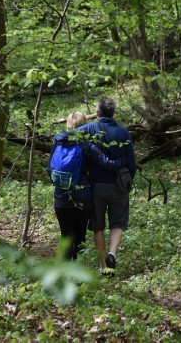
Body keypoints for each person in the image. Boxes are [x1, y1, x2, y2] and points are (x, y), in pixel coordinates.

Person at [49, 111, 124, 261]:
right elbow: (107, 164)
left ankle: (65, 273)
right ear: (85, 125)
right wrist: (123, 160)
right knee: (80, 237)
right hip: (83, 197)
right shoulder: (87, 145)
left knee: (66, 237)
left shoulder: (58, 142)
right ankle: (77, 270)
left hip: (61, 197)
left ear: (68, 124)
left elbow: (49, 169)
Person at [77, 98, 136, 275]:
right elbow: (132, 163)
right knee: (118, 222)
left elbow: (68, 136)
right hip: (119, 185)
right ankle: (113, 253)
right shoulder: (124, 132)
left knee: (98, 225)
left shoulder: (89, 129)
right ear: (113, 113)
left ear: (98, 113)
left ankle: (104, 266)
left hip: (97, 186)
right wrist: (126, 180)